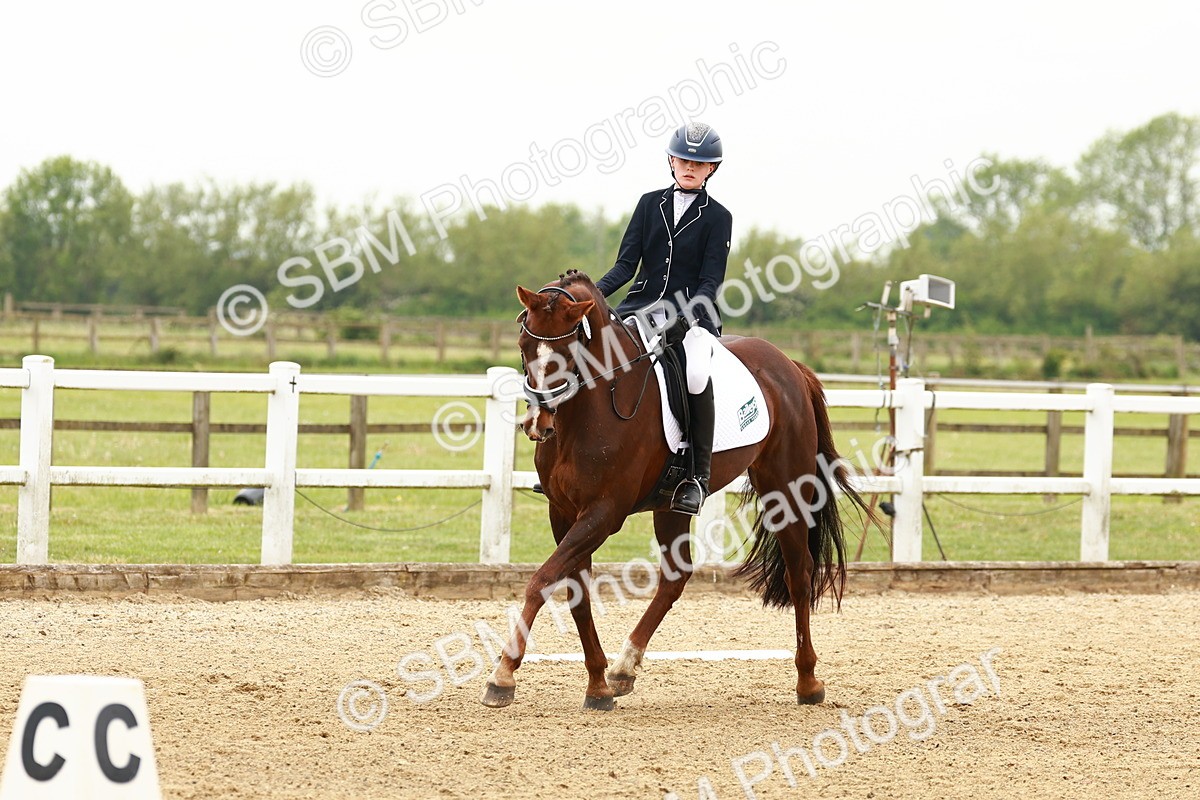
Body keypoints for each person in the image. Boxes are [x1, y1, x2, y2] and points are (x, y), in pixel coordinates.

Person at [594, 121, 732, 515]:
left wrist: (685, 314)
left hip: (693, 318)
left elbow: (710, 282)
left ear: (711, 169)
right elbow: (625, 266)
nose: (689, 167)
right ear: (671, 160)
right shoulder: (648, 203)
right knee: (593, 355)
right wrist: (593, 297)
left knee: (695, 375)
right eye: (684, 159)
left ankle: (696, 477)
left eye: (699, 163)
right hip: (638, 309)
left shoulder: (718, 217)